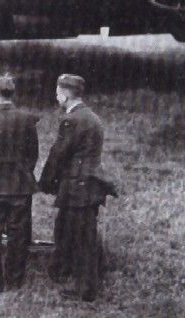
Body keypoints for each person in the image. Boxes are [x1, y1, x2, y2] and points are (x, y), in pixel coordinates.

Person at [39, 74, 115, 302]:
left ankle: (86, 289)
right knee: (65, 227)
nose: (56, 96)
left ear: (65, 94)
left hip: (77, 188)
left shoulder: (71, 120)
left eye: (57, 92)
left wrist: (44, 182)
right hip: (89, 186)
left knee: (83, 238)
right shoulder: (92, 117)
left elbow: (58, 154)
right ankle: (61, 269)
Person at [0, 75, 40, 294]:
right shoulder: (28, 119)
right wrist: (21, 172)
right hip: (20, 186)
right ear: (12, 94)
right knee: (18, 234)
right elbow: (33, 155)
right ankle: (15, 279)